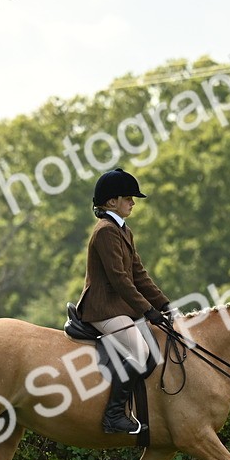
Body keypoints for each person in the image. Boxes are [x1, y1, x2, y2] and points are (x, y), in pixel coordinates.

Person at [75, 168, 174, 435]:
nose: (133, 202)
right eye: (128, 198)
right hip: (103, 309)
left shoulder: (123, 231)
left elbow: (139, 274)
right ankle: (113, 415)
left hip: (120, 308)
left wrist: (164, 305)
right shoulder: (106, 232)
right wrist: (148, 310)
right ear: (111, 202)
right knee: (141, 353)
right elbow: (120, 280)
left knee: (156, 348)